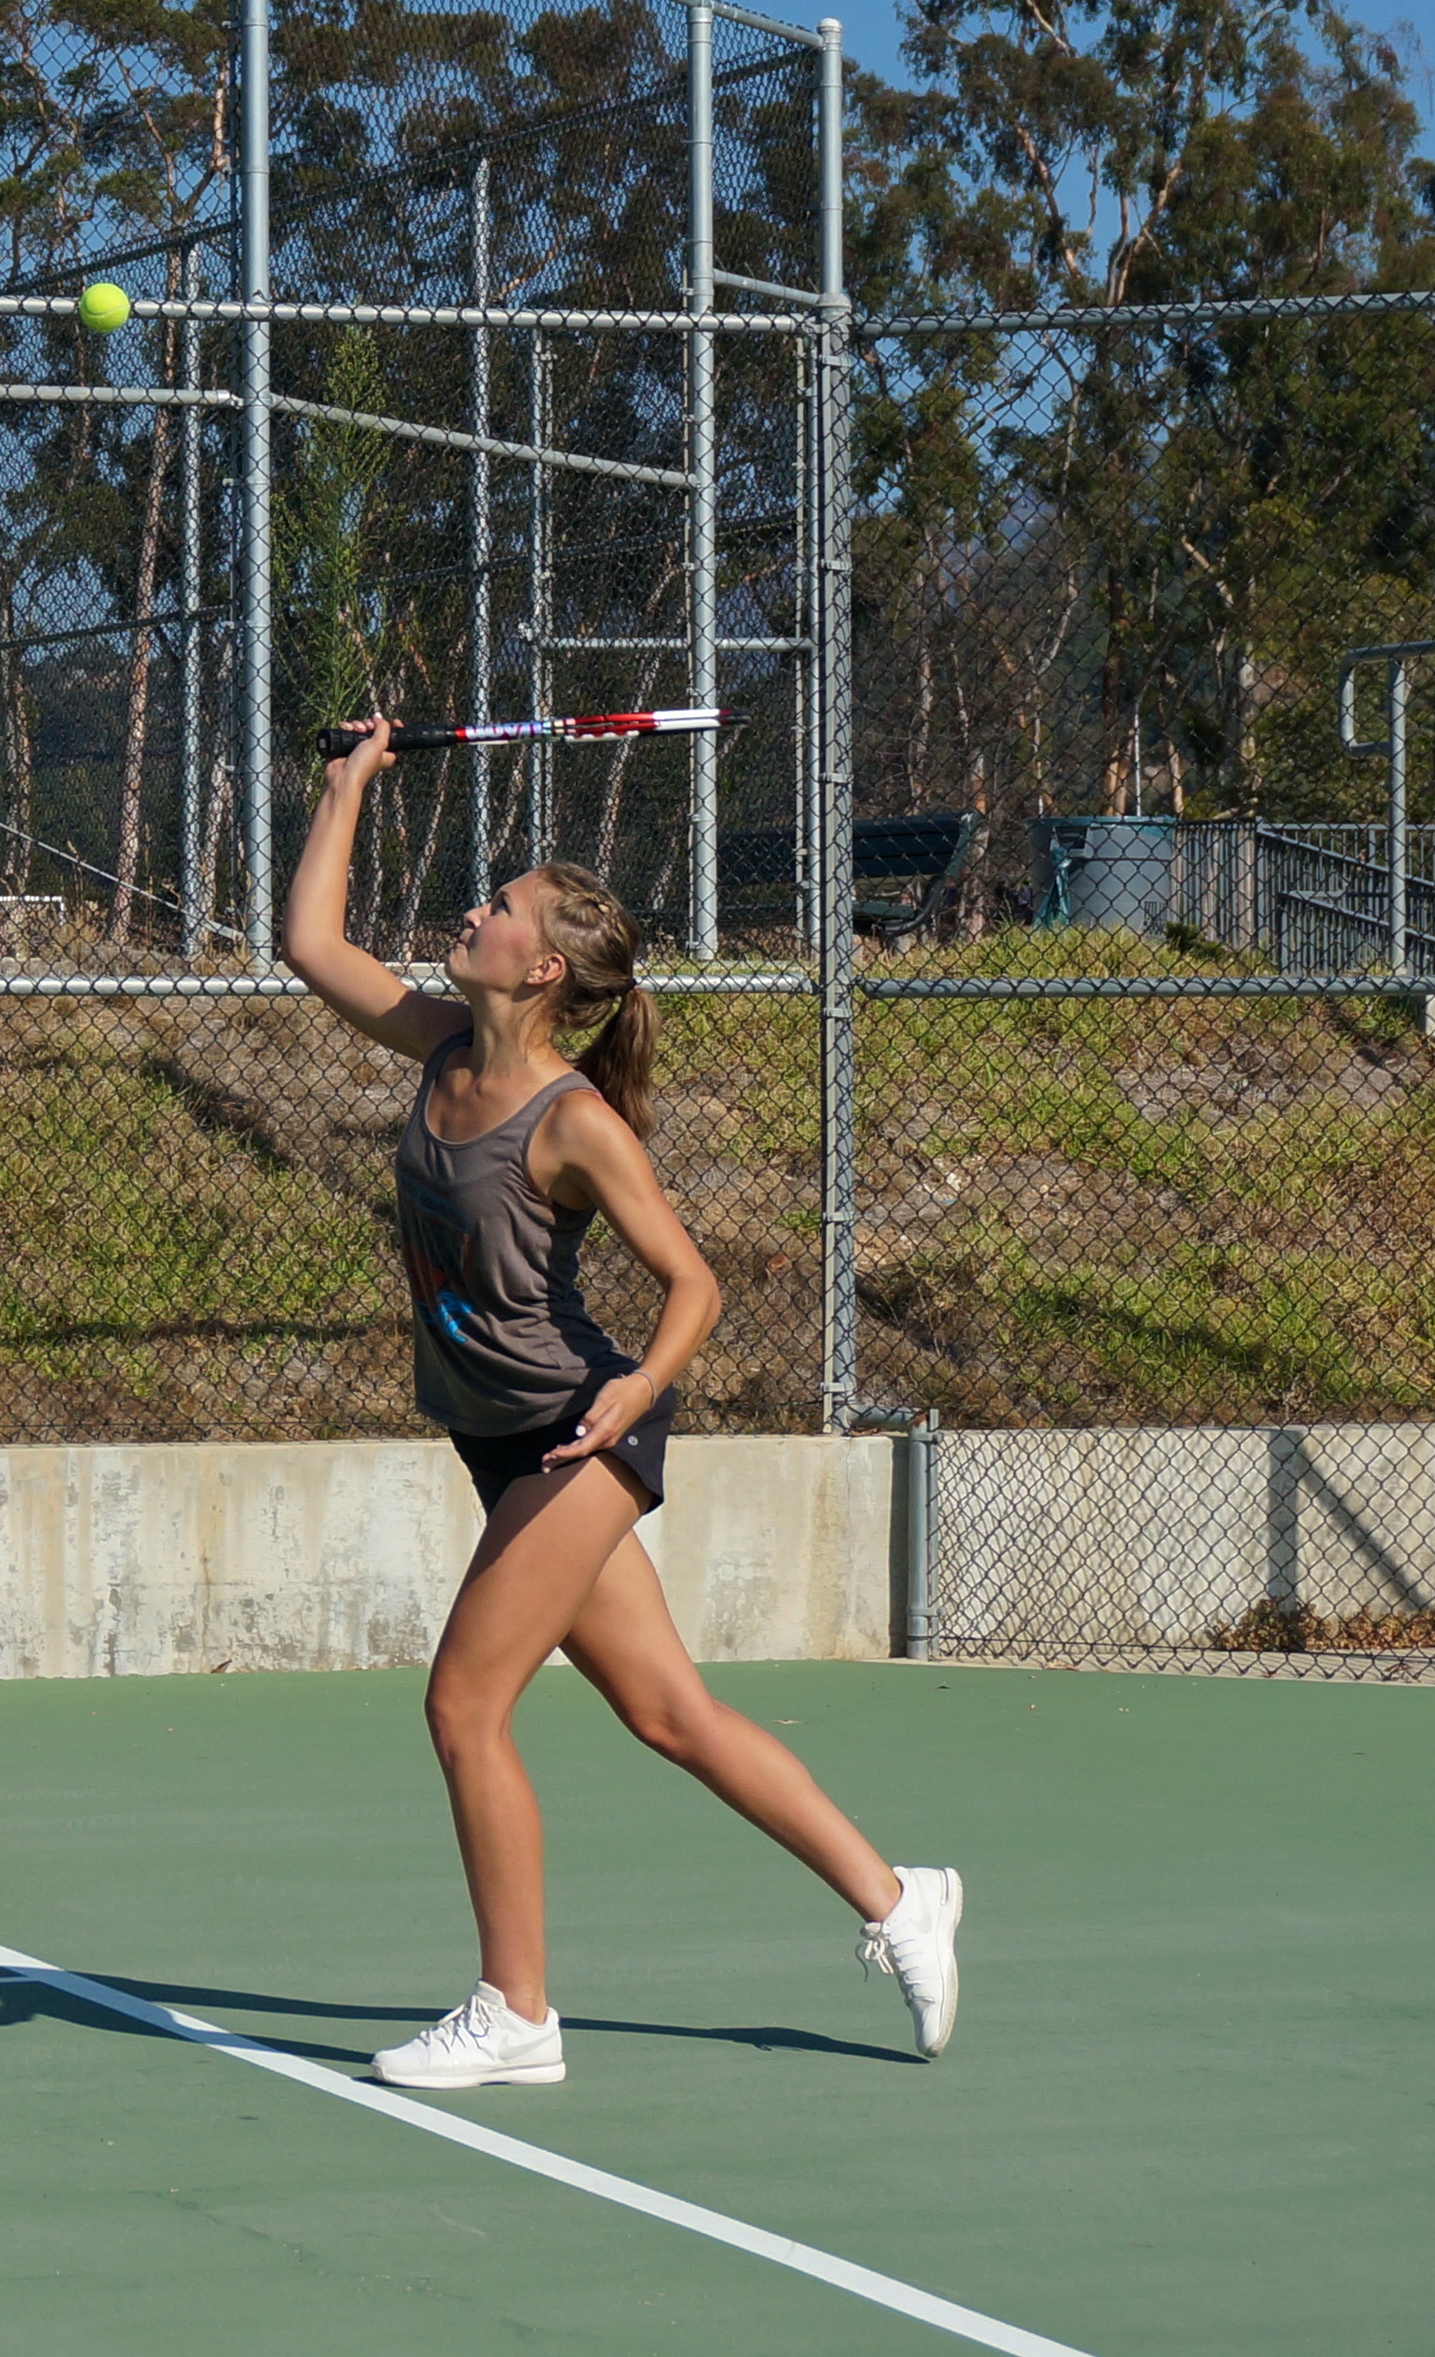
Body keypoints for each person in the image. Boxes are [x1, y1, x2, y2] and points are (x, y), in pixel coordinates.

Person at [285, 718, 960, 2088]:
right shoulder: (439, 1048)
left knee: (465, 1706)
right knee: (669, 1714)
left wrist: (635, 1394)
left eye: (499, 905)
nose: (472, 912)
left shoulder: (571, 1120)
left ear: (540, 967)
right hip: (500, 1436)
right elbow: (309, 944)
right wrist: (347, 785)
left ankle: (516, 2010)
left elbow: (694, 1284)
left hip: (576, 1433)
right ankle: (900, 1899)